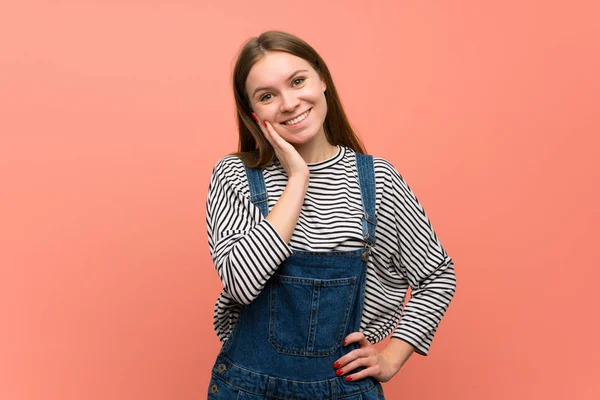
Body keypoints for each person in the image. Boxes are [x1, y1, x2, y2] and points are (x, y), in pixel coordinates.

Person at [205, 30, 456, 400]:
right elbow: (243, 283)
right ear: (254, 113)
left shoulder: (376, 179)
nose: (289, 103)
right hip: (247, 388)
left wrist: (391, 357)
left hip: (343, 388)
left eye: (298, 81)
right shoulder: (235, 175)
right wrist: (298, 179)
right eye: (268, 95)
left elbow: (437, 275)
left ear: (322, 80)